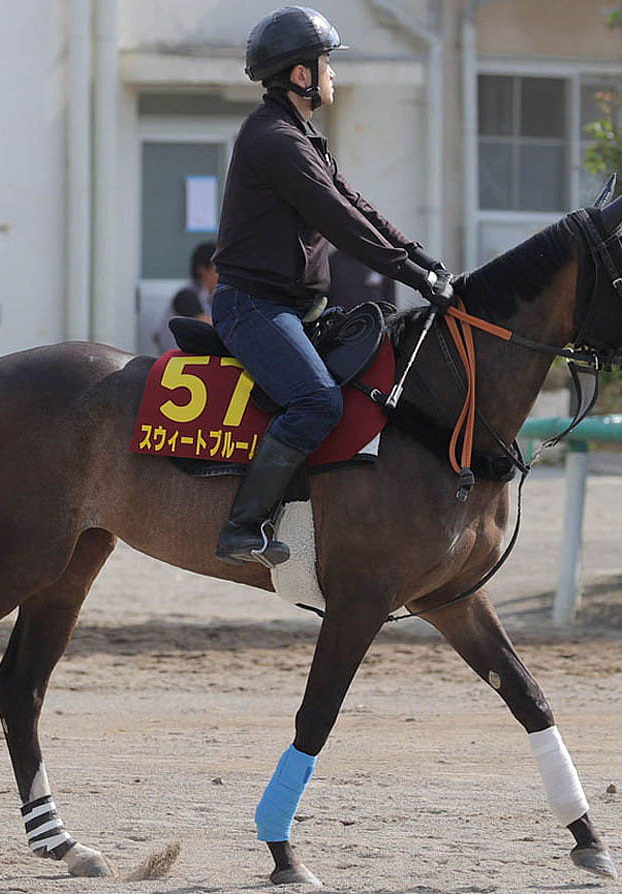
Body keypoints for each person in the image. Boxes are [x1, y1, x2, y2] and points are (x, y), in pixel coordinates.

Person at [210, 5, 455, 567]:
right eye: (327, 64)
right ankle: (242, 527)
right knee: (317, 401)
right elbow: (342, 225)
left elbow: (356, 206)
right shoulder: (275, 139)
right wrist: (413, 277)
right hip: (253, 307)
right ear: (301, 75)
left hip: (292, 307)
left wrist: (423, 260)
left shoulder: (301, 135)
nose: (333, 74)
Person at [154, 241, 218, 352]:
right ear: (202, 270)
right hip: (177, 360)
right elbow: (207, 325)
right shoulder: (186, 295)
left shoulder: (212, 296)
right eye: (217, 269)